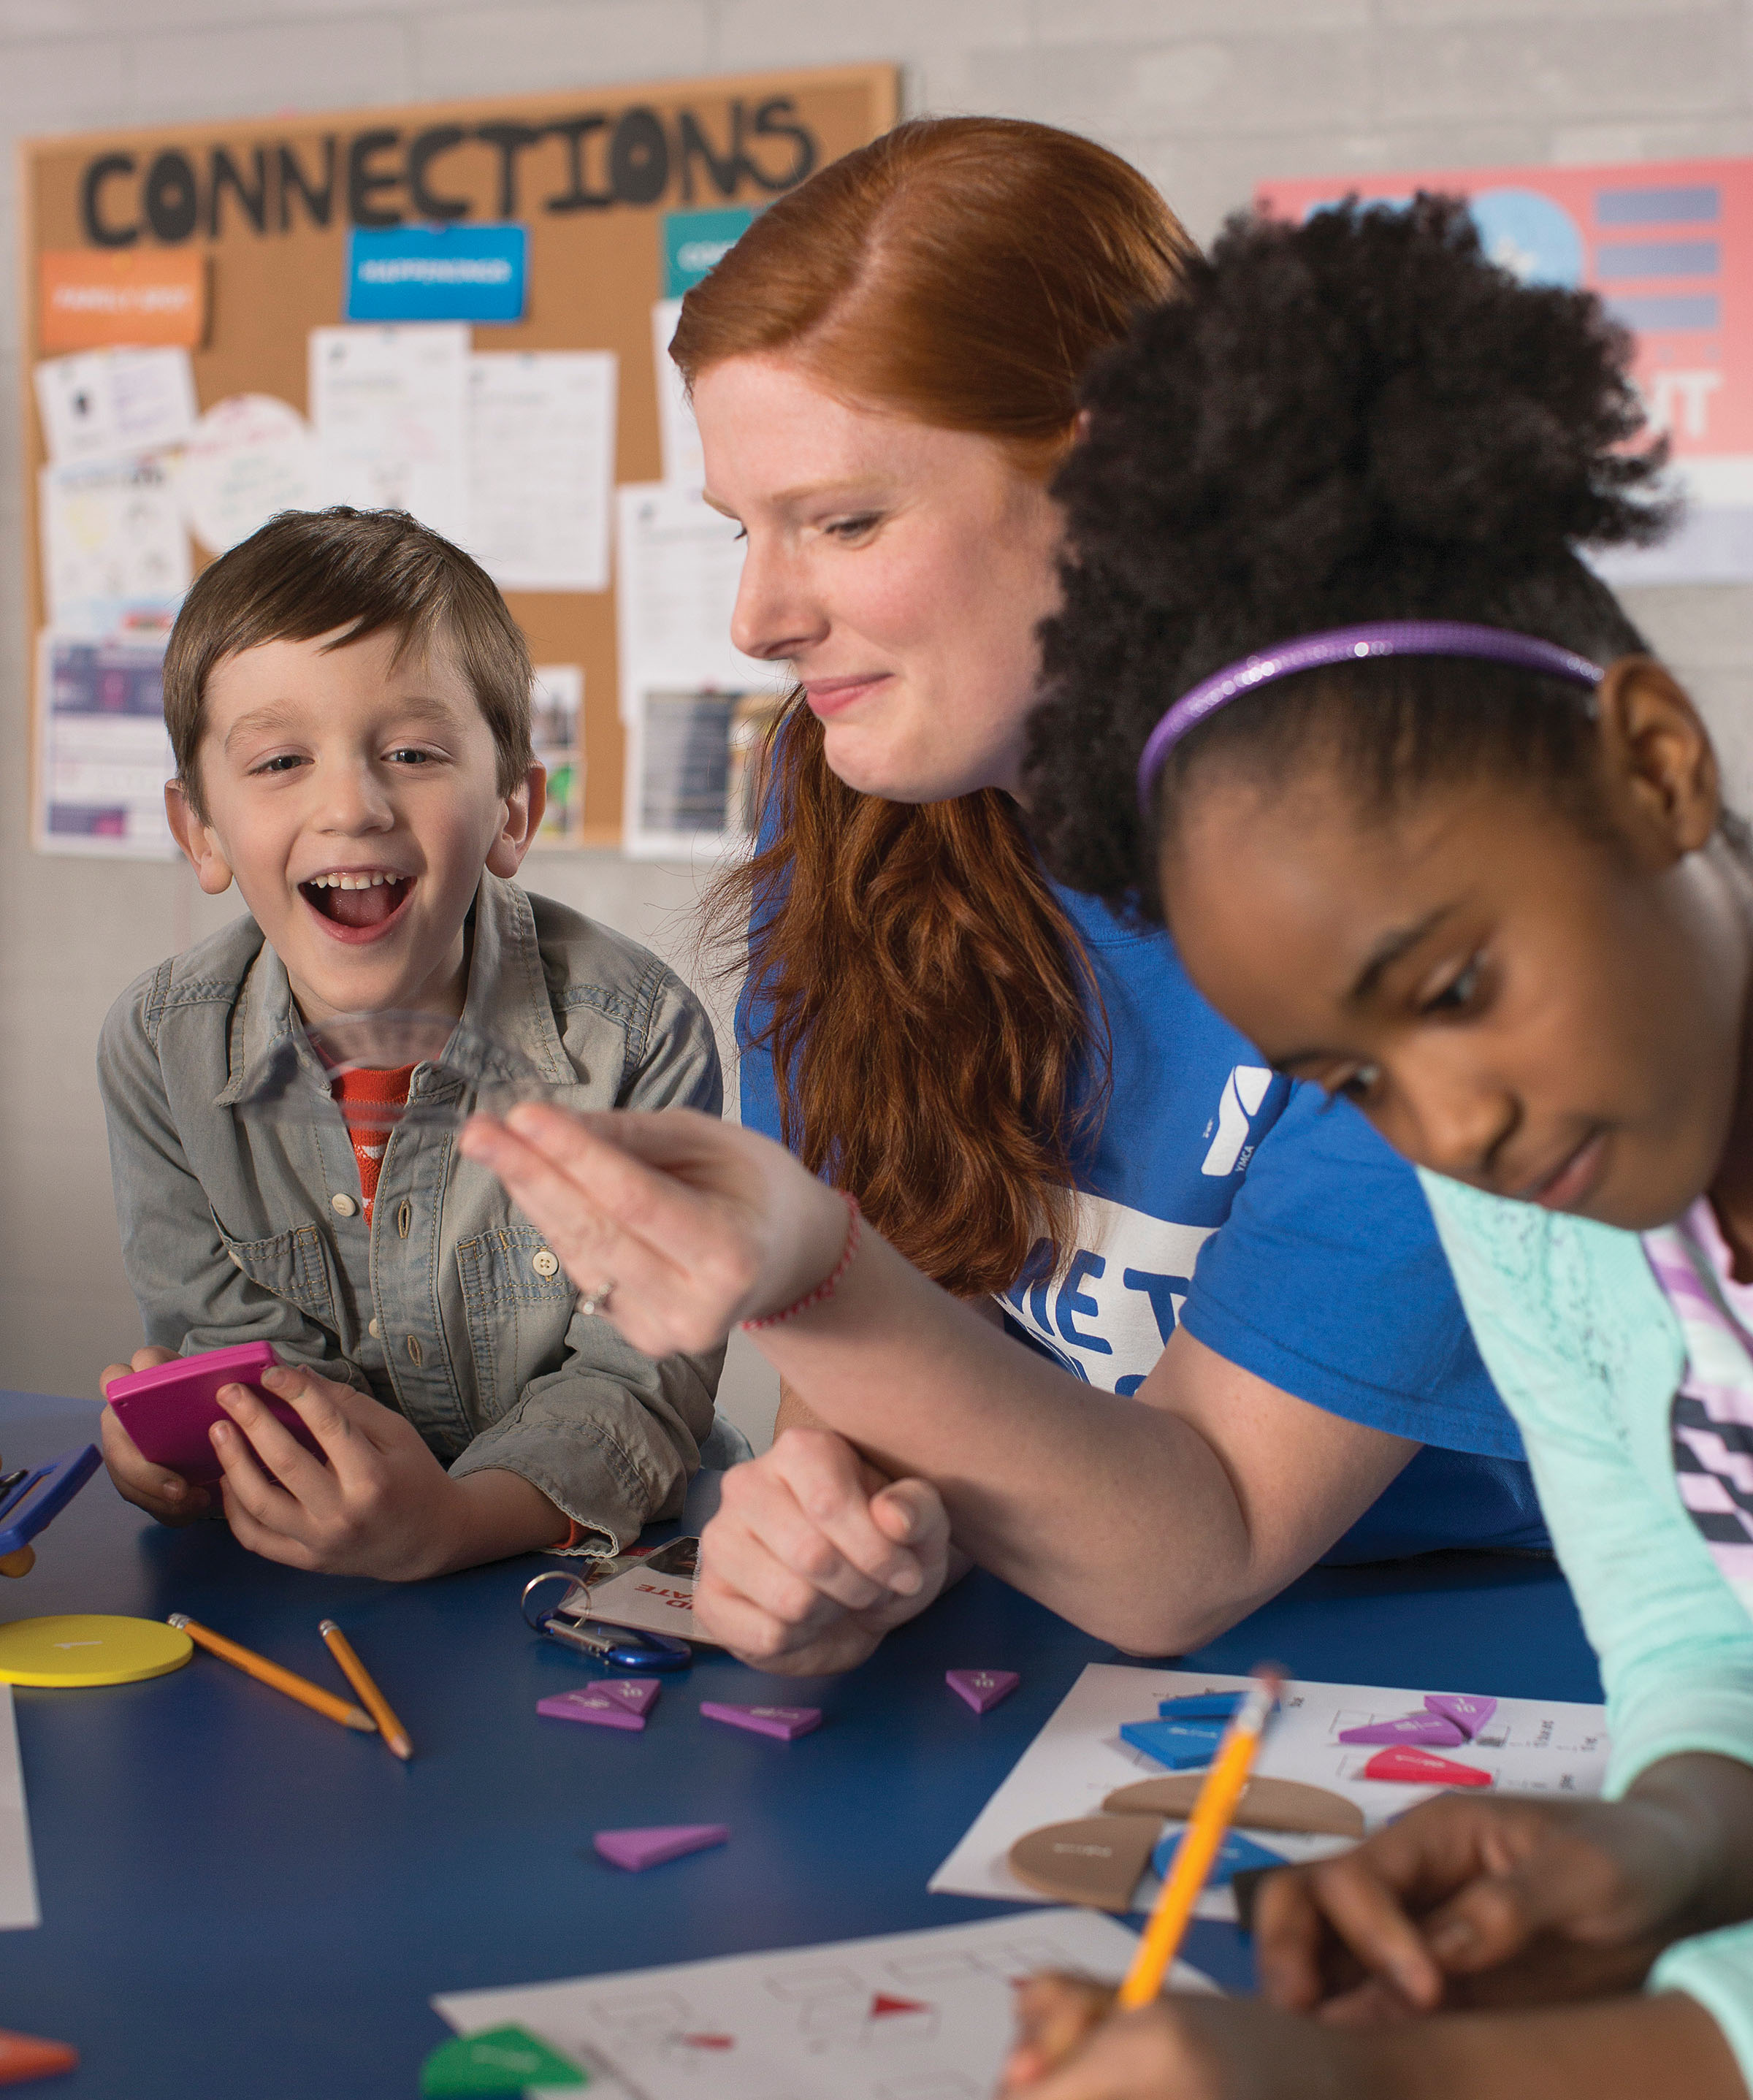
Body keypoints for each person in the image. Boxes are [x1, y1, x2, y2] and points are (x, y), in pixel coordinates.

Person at [989, 196, 1753, 2097]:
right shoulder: (1555, 1195)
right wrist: (1648, 1848)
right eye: (1352, 1081)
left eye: (1459, 980)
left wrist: (1412, 2083)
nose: (1454, 1124)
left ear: (1656, 766)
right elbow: (1685, 1620)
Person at [676, 112, 1544, 1668]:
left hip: (1534, 1648)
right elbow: (899, 1352)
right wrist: (829, 1524)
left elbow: (1199, 1547)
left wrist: (803, 1275)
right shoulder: (860, 788)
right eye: (743, 530)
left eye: (845, 519)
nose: (759, 616)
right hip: (1078, 1597)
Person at [96, 507, 727, 1580]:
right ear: (200, 830)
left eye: (414, 751)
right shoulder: (161, 1050)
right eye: (281, 759)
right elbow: (232, 1361)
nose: (352, 804)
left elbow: (636, 1382)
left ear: (512, 813)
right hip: (308, 1569)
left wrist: (449, 1522)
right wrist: (200, 1449)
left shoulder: (638, 1034)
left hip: (578, 1562)